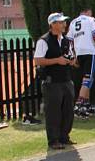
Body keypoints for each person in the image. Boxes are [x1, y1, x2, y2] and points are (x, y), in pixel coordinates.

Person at [33, 13, 76, 150]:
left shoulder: (65, 40)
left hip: (66, 80)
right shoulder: (43, 40)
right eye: (61, 22)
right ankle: (54, 140)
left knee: (68, 110)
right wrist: (57, 60)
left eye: (64, 22)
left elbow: (69, 56)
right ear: (52, 24)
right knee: (53, 112)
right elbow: (38, 60)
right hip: (51, 82)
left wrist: (71, 60)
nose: (64, 25)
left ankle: (64, 137)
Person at [67, 8, 95, 119]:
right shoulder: (91, 20)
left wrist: (74, 55)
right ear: (88, 11)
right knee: (88, 79)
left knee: (86, 78)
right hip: (89, 51)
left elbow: (69, 40)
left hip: (79, 52)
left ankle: (86, 105)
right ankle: (78, 105)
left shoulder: (73, 22)